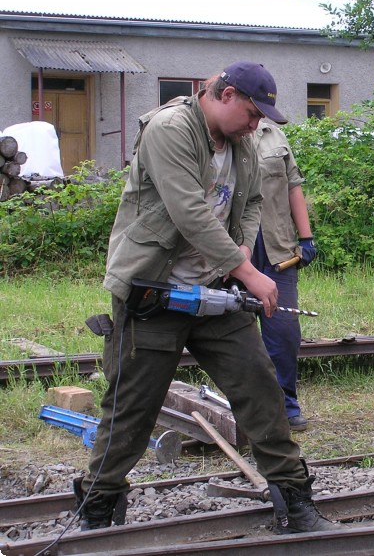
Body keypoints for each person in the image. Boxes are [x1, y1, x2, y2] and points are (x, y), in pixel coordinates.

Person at [73, 61, 338, 535]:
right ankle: (95, 509)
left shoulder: (244, 143)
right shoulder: (170, 129)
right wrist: (250, 271)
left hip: (216, 292)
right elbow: (188, 211)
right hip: (154, 293)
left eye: (261, 120)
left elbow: (254, 199)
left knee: (261, 390)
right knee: (131, 407)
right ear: (226, 94)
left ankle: (296, 504)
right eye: (253, 114)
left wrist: (239, 245)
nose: (257, 125)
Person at [252, 117, 317, 432]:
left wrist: (306, 238)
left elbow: (293, 187)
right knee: (230, 334)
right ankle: (245, 407)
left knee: (284, 332)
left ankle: (285, 404)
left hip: (277, 251)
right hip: (231, 251)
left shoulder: (273, 136)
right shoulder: (212, 133)